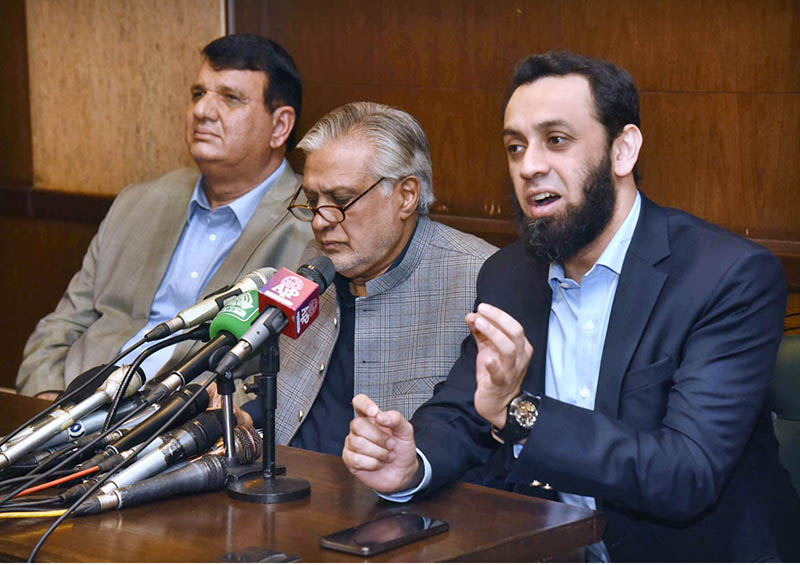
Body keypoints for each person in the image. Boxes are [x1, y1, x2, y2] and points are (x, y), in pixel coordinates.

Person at [341, 52, 800, 561]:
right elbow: (466, 408)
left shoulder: (726, 276)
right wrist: (412, 462)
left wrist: (520, 413)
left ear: (622, 150)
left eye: (556, 141)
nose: (529, 165)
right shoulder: (510, 272)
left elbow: (685, 473)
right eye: (515, 147)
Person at [16, 34, 313, 398]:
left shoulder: (311, 228)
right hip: (74, 404)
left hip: (180, 428)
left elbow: (298, 379)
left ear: (280, 126)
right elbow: (61, 325)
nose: (202, 111)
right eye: (198, 94)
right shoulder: (139, 201)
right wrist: (47, 399)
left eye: (230, 98)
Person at [234, 102, 497, 456]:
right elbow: (286, 396)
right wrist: (244, 417)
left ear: (406, 196)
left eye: (341, 200)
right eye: (313, 200)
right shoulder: (315, 263)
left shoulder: (479, 279)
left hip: (399, 504)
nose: (320, 221)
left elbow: (479, 443)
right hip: (283, 485)